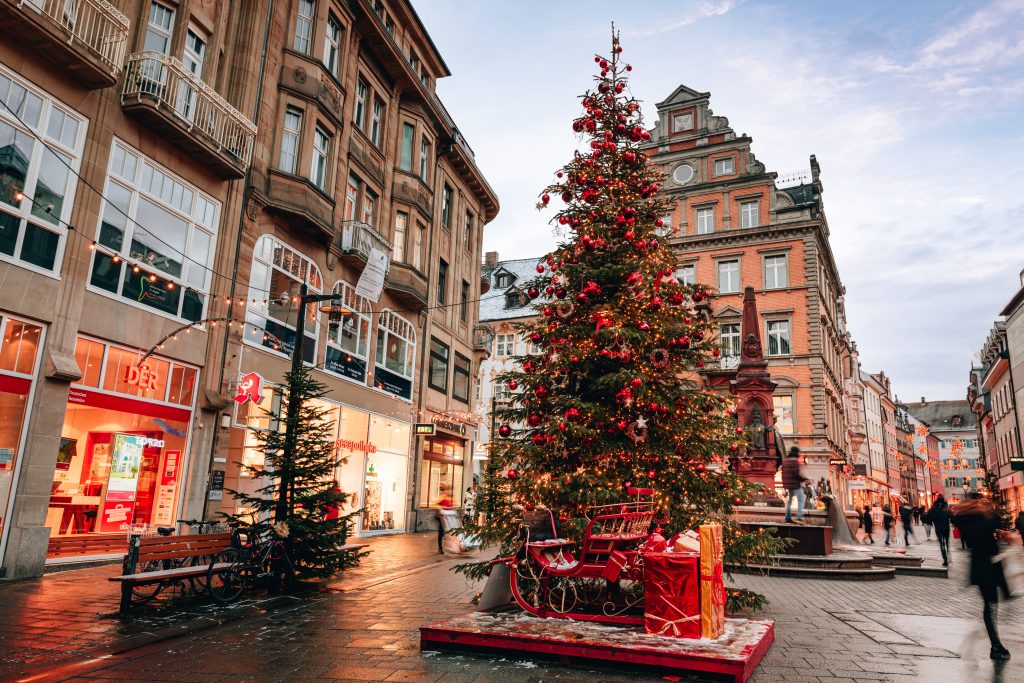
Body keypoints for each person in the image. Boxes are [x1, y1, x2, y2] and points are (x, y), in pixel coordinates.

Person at [954, 492, 1011, 660]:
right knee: (991, 605)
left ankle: (995, 643)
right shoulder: (973, 519)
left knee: (991, 605)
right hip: (986, 567)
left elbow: (985, 532)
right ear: (973, 503)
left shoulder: (968, 518)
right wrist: (992, 515)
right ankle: (995, 645)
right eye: (978, 502)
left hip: (984, 566)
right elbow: (986, 529)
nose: (980, 505)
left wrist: (996, 530)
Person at [781, 447, 809, 523]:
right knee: (801, 499)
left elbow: (783, 474)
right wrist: (805, 479)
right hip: (795, 484)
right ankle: (799, 516)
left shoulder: (785, 462)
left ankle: (787, 517)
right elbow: (796, 475)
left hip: (788, 485)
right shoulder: (795, 462)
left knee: (789, 501)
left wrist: (784, 484)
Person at [930, 495, 951, 566]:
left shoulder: (933, 508)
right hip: (946, 528)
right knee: (946, 542)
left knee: (941, 543)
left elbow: (927, 517)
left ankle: (945, 559)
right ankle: (948, 554)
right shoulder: (946, 508)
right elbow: (953, 517)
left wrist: (932, 520)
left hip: (938, 528)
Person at [434, 483, 453, 553]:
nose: (449, 492)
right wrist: (442, 508)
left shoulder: (450, 498)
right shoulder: (443, 496)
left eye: (450, 490)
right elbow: (435, 504)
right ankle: (440, 548)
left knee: (447, 532)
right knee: (441, 532)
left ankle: (451, 546)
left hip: (447, 517)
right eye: (448, 490)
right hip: (441, 517)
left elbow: (450, 507)